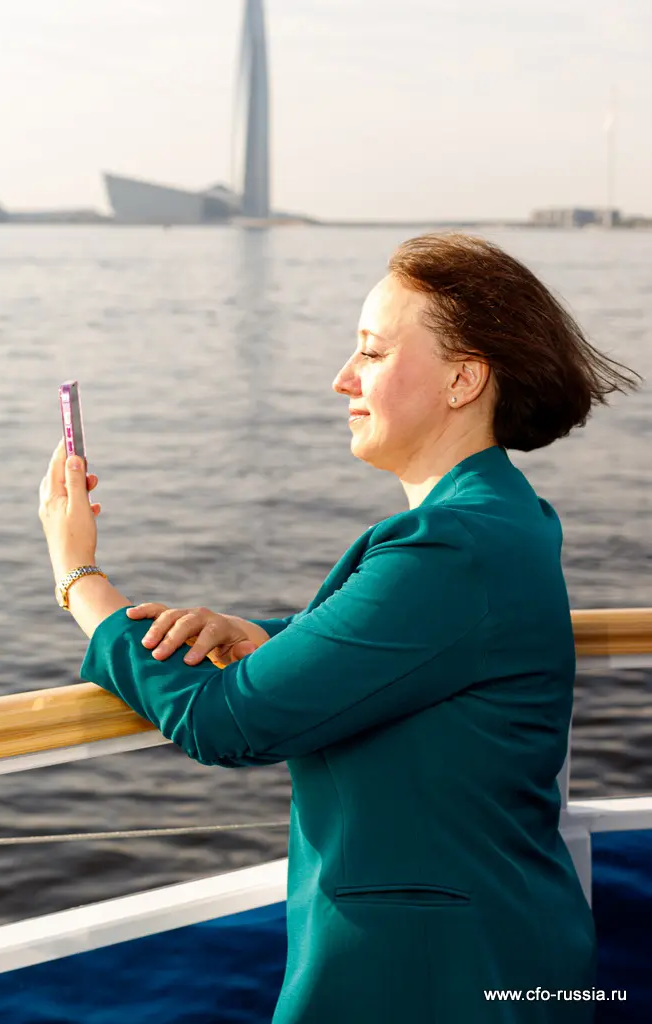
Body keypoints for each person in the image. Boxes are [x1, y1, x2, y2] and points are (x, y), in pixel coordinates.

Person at [38, 233, 641, 1023]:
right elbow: (427, 645)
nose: (342, 378)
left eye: (372, 351)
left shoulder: (453, 546)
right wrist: (269, 637)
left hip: (433, 980)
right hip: (505, 951)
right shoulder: (506, 513)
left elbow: (226, 722)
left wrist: (79, 577)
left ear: (463, 379)